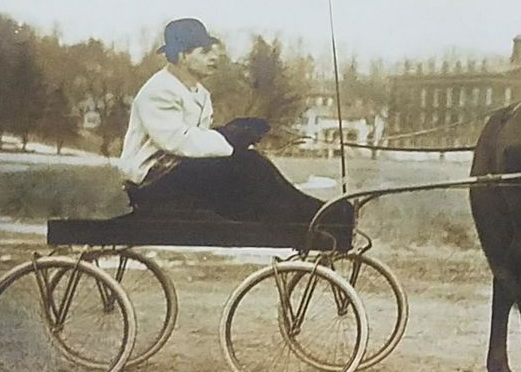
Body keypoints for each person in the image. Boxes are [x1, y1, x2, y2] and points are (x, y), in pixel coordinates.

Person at [117, 18, 351, 242]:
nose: (214, 57)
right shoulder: (159, 91)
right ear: (182, 55)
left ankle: (315, 215)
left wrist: (233, 133)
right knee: (248, 167)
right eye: (204, 51)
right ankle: (314, 219)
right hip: (153, 184)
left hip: (178, 174)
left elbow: (198, 140)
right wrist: (229, 137)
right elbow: (179, 141)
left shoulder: (198, 92)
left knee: (251, 163)